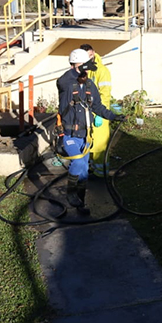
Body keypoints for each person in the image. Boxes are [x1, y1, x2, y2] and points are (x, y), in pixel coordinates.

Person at [56, 48, 123, 212]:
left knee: (84, 171)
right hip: (70, 134)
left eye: (87, 65)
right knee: (78, 161)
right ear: (74, 65)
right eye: (83, 65)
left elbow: (98, 107)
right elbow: (62, 81)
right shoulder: (66, 83)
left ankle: (80, 202)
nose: (86, 69)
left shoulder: (89, 85)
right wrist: (78, 69)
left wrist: (113, 116)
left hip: (85, 135)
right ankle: (71, 193)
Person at [79, 43, 114, 178]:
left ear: (93, 53)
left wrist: (101, 113)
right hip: (87, 112)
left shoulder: (102, 71)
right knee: (89, 142)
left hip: (99, 113)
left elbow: (105, 94)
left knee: (100, 144)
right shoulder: (84, 68)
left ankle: (101, 174)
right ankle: (92, 169)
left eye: (88, 56)